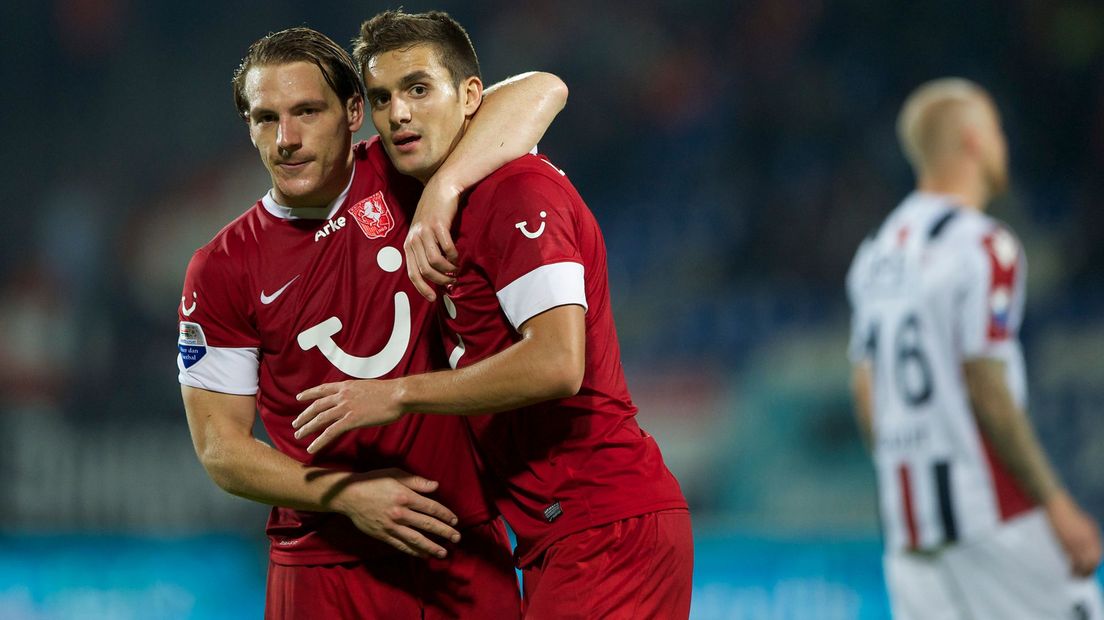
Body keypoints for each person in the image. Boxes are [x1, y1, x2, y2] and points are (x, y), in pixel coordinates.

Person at [292, 10, 693, 619]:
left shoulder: (516, 193)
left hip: (605, 522)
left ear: (471, 96)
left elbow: (559, 363)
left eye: (419, 89)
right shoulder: (435, 183)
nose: (398, 112)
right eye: (382, 97)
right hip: (560, 530)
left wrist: (396, 395)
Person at [177, 26, 567, 619]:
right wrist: (345, 494)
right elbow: (220, 448)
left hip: (459, 546)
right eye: (265, 118)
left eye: (308, 111)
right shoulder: (223, 266)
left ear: (355, 112)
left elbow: (543, 89)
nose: (287, 138)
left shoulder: (406, 171)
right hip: (322, 564)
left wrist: (445, 188)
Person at [845, 77, 1103, 619]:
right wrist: (1055, 503)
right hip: (992, 514)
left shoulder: (875, 254)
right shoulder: (986, 246)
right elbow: (985, 383)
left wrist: (906, 468)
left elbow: (867, 392)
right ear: (972, 141)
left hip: (909, 526)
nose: (1003, 145)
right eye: (997, 132)